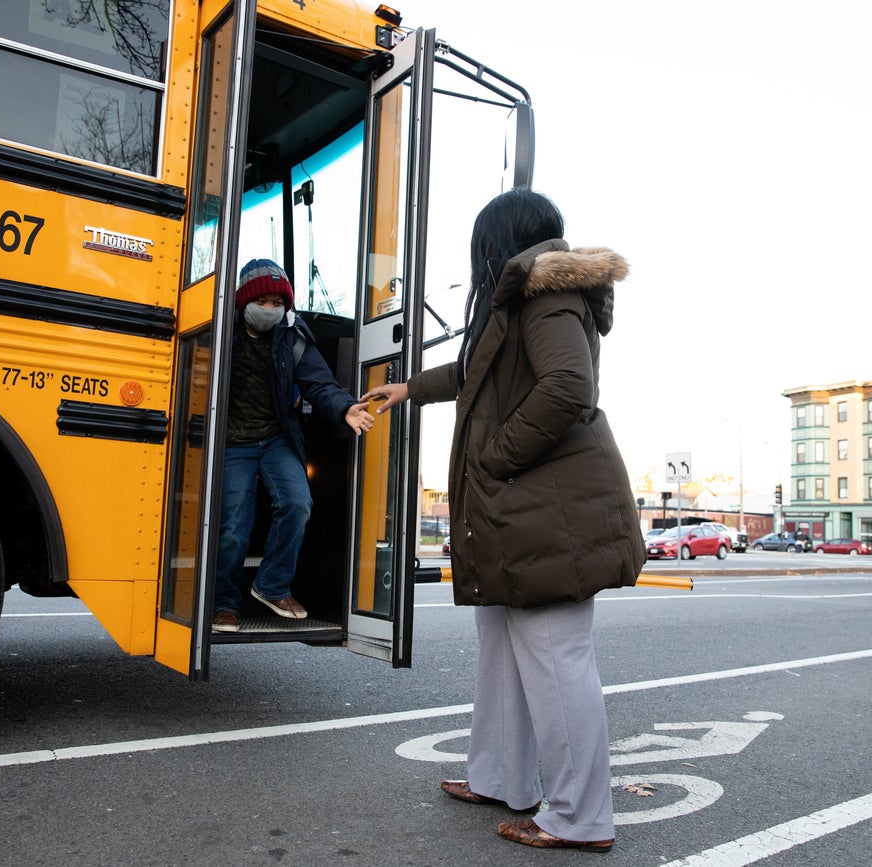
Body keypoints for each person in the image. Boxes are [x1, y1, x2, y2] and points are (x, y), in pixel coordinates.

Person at [361, 188, 645, 851]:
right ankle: (500, 776)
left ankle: (579, 817)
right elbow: (475, 371)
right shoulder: (522, 298)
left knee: (554, 656)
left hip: (550, 509)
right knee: (505, 650)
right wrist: (407, 388)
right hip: (527, 509)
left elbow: (569, 387)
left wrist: (495, 453)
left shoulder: (547, 295)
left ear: (503, 240)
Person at [213, 259, 375, 633]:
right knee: (233, 526)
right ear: (244, 302)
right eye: (263, 301)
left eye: (278, 303)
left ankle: (271, 585)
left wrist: (346, 408)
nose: (270, 310)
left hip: (276, 438)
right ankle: (224, 603)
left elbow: (320, 384)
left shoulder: (293, 337)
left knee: (298, 504)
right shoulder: (221, 332)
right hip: (233, 440)